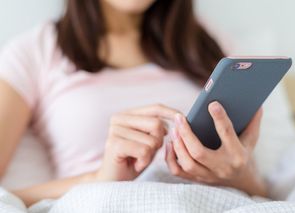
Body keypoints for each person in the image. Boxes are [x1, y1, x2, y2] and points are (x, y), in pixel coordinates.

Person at [0, 0, 266, 206]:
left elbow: (262, 193)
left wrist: (238, 174)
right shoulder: (34, 53)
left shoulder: (210, 46)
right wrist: (97, 179)